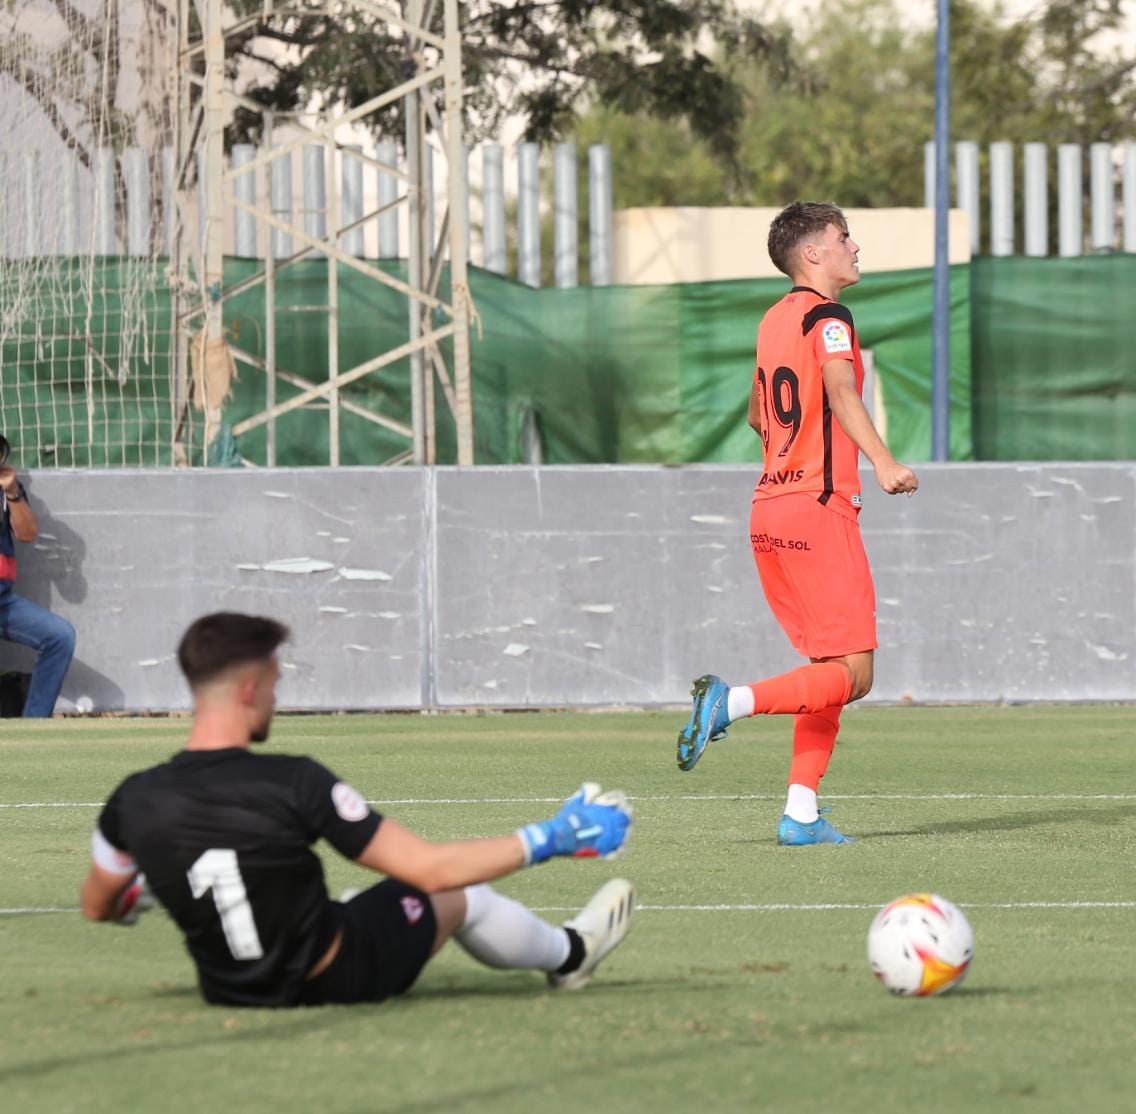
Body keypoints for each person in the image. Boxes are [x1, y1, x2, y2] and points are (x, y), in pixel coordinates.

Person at [79, 612, 636, 1007]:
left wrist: (133, 895)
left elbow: (98, 906)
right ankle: (572, 954)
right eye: (274, 683)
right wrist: (553, 836)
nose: (278, 697)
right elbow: (430, 870)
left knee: (332, 899)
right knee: (456, 894)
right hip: (334, 975)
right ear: (249, 689)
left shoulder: (133, 798)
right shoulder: (295, 780)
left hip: (229, 990)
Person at [674, 202, 919, 845]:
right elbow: (842, 392)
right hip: (817, 508)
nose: (854, 247)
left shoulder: (773, 319)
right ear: (813, 253)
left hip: (768, 509)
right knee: (856, 675)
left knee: (825, 672)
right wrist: (885, 461)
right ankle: (731, 703)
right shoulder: (830, 317)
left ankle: (801, 814)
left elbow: (759, 417)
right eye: (843, 238)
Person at [0, 435, 76, 716]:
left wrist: (12, 492)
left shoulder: (8, 491)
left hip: (4, 602)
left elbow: (28, 533)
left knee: (60, 636)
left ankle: (34, 724)